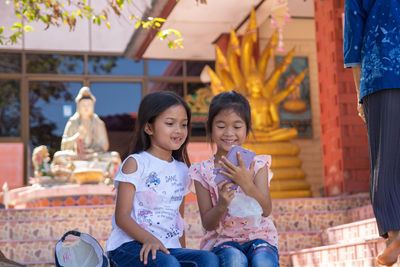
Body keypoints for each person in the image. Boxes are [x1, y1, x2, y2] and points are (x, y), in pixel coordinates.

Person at [105, 91, 219, 267]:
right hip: (130, 246)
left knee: (208, 259)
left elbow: (177, 222)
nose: (178, 130)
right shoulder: (136, 163)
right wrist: (149, 239)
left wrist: (184, 252)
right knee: (169, 264)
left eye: (183, 124)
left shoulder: (182, 170)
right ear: (149, 128)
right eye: (170, 123)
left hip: (167, 249)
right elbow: (122, 216)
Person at [188, 91, 279, 267]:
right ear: (210, 127)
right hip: (223, 242)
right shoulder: (202, 172)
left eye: (237, 127)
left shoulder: (257, 165)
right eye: (221, 126)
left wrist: (247, 185)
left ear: (247, 127)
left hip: (260, 239)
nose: (229, 133)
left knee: (263, 263)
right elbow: (208, 223)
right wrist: (222, 204)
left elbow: (266, 210)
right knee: (236, 261)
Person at [343, 1, 400, 266]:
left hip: (380, 76)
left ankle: (395, 235)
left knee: (384, 158)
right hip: (380, 77)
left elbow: (353, 44)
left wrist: (359, 94)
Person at [61, 86, 109, 160]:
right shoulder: (73, 121)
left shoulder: (98, 122)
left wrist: (94, 149)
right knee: (59, 156)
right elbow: (63, 146)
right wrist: (77, 137)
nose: (86, 107)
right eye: (83, 105)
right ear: (79, 106)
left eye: (89, 105)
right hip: (76, 155)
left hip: (94, 155)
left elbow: (105, 146)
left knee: (114, 156)